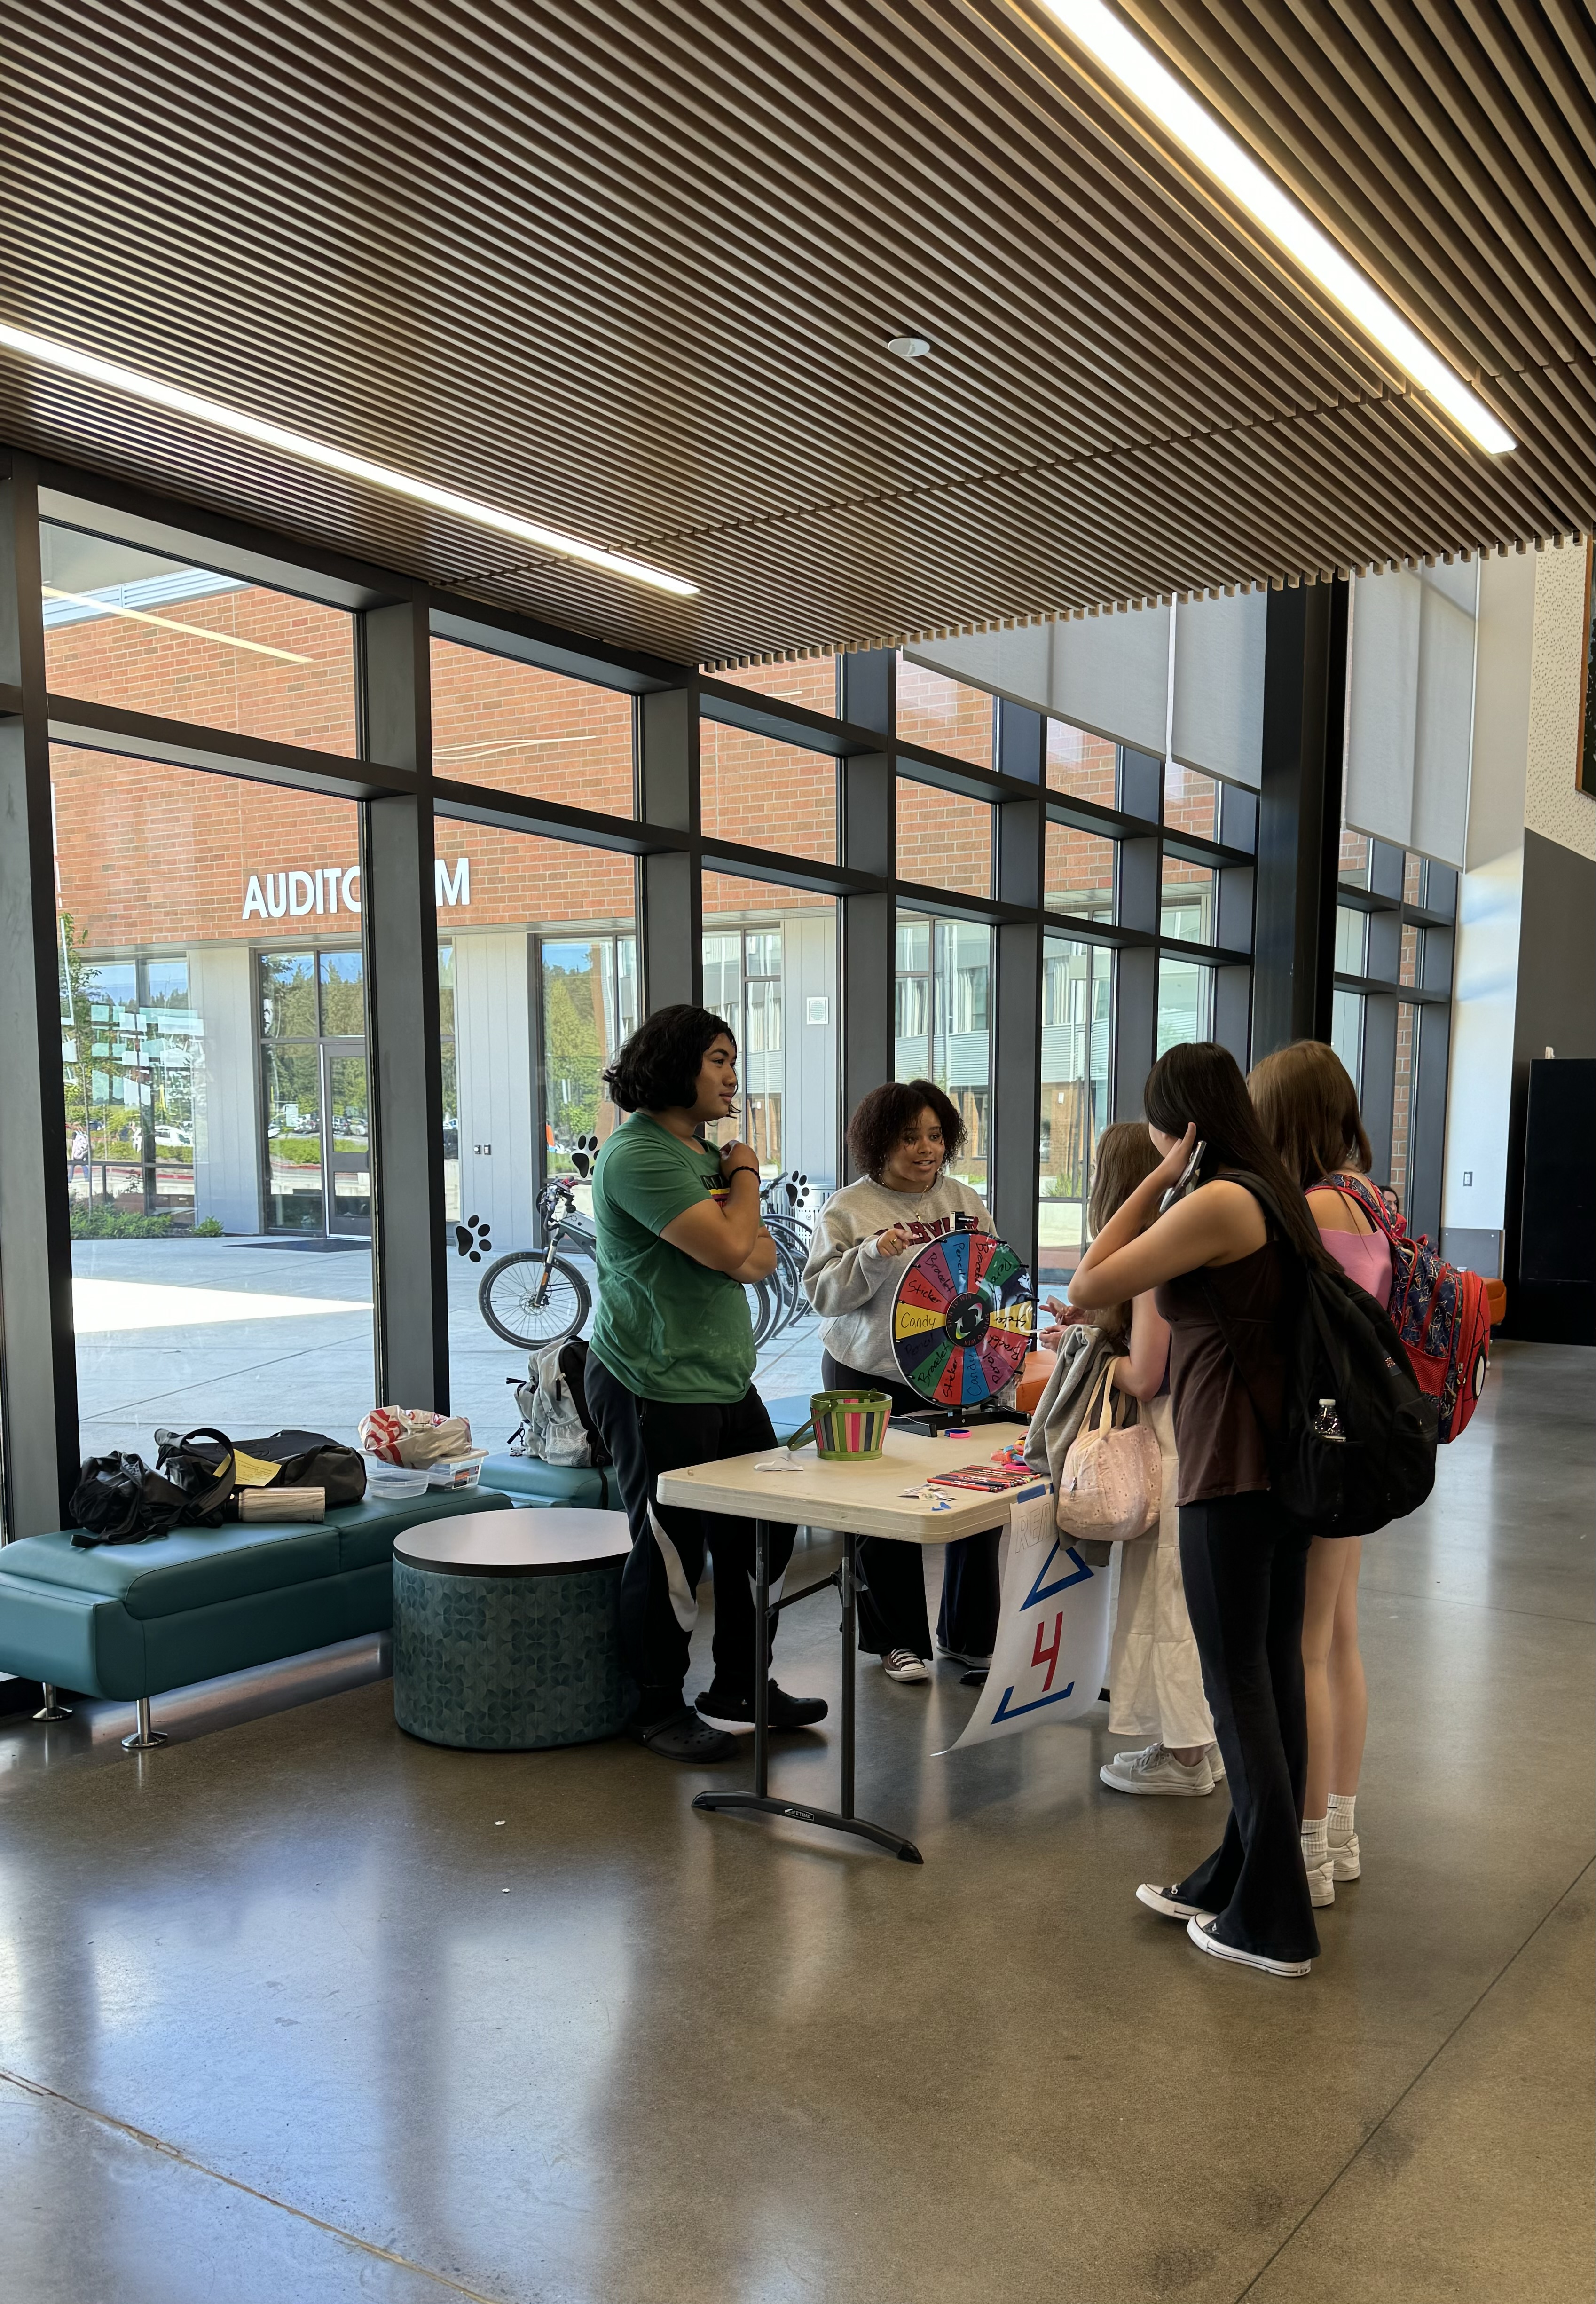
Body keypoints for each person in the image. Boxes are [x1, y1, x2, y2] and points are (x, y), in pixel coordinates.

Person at [1069, 1040, 1332, 1980]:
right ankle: (1238, 1873)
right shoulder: (1273, 1196)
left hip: (1231, 1470)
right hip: (1282, 1471)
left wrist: (1154, 1178)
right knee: (1268, 1674)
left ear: (1176, 1122)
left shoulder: (1216, 1202)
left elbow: (1087, 1282)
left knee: (1238, 1685)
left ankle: (1272, 1921)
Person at [585, 1003, 828, 1764]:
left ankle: (741, 1687)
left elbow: (759, 1259)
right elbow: (733, 1250)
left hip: (723, 1382)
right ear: (675, 1066)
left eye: (732, 1061)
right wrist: (746, 1174)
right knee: (671, 1551)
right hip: (652, 1383)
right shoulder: (640, 1155)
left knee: (764, 1530)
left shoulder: (699, 1156)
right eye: (719, 1060)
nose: (732, 1077)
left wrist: (734, 1218)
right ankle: (657, 1706)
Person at [802, 1080, 1001, 1684]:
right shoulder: (849, 1208)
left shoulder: (964, 1198)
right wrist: (869, 1255)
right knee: (884, 1509)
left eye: (935, 1136)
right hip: (867, 1373)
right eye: (910, 1137)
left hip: (952, 1372)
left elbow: (991, 1275)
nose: (926, 1149)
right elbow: (821, 1295)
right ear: (879, 1142)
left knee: (975, 1500)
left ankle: (971, 1636)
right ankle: (896, 1642)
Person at [1250, 1039, 1387, 1907]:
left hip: (1317, 1445)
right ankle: (1339, 1829)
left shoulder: (1307, 1211)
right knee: (1338, 1638)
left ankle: (1304, 1850)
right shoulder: (1368, 1199)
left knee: (1302, 1646)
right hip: (1361, 1441)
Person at [1083, 1123, 1220, 1798]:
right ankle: (1200, 1745)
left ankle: (1183, 1756)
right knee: (1190, 1602)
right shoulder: (1199, 1241)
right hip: (1203, 1435)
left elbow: (1143, 1375)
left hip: (1168, 1446)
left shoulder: (1149, 1256)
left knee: (1167, 1600)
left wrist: (1092, 1360)